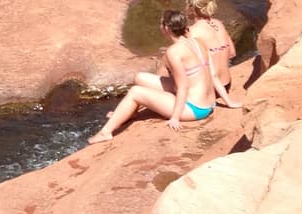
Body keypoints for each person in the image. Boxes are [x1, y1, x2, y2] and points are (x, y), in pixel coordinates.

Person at [89, 9, 215, 142]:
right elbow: (211, 74)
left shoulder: (174, 52)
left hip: (194, 108)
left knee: (135, 92)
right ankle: (129, 112)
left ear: (166, 28)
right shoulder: (197, 41)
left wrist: (175, 118)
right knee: (140, 78)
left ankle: (106, 132)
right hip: (208, 102)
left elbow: (183, 87)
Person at [186, 0, 238, 108]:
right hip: (226, 84)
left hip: (209, 89)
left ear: (192, 9)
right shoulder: (219, 24)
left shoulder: (192, 32)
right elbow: (232, 53)